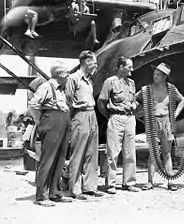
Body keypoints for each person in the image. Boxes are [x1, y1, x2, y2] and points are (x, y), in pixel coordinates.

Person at [135, 62, 184, 191]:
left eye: (159, 74)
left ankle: (170, 181)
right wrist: (140, 110)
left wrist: (174, 114)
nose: (155, 76)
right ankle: (150, 181)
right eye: (155, 73)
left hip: (166, 122)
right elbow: (133, 98)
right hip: (152, 121)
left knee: (167, 153)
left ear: (165, 76)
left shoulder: (171, 89)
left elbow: (182, 100)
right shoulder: (147, 89)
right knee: (153, 153)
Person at [28, 61, 72, 207]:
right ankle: (41, 196)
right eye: (66, 72)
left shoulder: (61, 89)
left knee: (60, 158)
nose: (69, 75)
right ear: (58, 73)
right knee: (48, 159)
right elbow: (33, 105)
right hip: (51, 122)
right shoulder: (46, 87)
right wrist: (41, 120)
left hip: (63, 123)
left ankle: (55, 192)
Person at [98, 56, 139, 194]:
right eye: (129, 67)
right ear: (121, 67)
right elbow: (102, 102)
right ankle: (110, 184)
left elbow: (133, 99)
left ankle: (129, 182)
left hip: (130, 119)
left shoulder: (131, 83)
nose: (132, 69)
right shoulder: (110, 82)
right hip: (116, 118)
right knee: (113, 152)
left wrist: (134, 105)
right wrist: (111, 115)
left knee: (130, 152)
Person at [65, 50, 103, 200]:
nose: (96, 66)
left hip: (91, 114)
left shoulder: (89, 80)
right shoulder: (73, 79)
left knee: (92, 152)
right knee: (78, 152)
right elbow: (68, 101)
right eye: (94, 62)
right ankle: (74, 189)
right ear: (86, 61)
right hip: (79, 115)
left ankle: (90, 187)